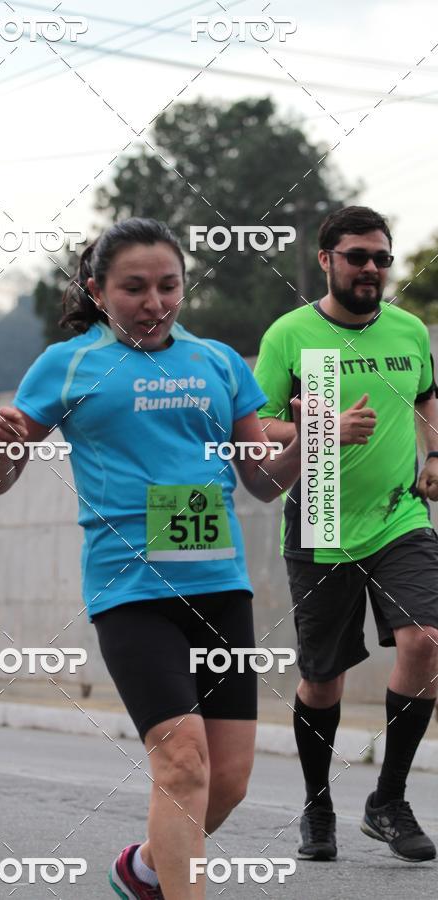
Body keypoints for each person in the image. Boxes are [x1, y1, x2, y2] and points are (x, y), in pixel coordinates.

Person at [0, 217, 302, 899]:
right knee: (182, 764)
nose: (154, 304)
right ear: (96, 290)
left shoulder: (215, 362)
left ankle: (145, 868)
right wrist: (3, 451)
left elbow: (263, 483)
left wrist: (308, 442)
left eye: (168, 286)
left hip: (220, 587)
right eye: (133, 289)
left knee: (230, 781)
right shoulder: (67, 365)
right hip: (131, 591)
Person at [253, 205, 438, 864]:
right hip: (321, 520)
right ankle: (316, 806)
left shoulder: (410, 331)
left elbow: (426, 395)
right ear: (327, 260)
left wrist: (434, 455)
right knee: (322, 678)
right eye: (357, 256)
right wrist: (318, 429)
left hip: (399, 516)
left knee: (427, 639)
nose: (371, 268)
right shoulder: (290, 336)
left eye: (382, 257)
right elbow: (254, 426)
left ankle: (388, 800)